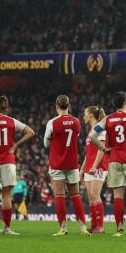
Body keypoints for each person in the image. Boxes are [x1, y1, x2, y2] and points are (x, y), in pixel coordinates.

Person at [88, 92, 126, 237]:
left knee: (118, 196)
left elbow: (92, 135)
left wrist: (103, 148)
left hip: (114, 160)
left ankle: (119, 230)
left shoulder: (108, 119)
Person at [0, 95, 35, 235]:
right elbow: (31, 132)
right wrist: (16, 144)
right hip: (8, 161)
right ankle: (6, 228)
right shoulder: (12, 121)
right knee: (7, 197)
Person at [44, 95, 90, 236]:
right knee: (75, 195)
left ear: (57, 107)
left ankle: (63, 228)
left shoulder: (52, 123)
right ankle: (83, 228)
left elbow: (46, 144)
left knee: (59, 196)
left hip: (57, 164)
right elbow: (74, 138)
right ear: (68, 105)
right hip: (72, 163)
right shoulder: (76, 122)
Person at [81, 105, 109, 234]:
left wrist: (94, 166)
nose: (84, 116)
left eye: (85, 114)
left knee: (95, 195)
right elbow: (88, 153)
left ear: (91, 116)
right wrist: (82, 169)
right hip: (89, 167)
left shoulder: (101, 130)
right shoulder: (91, 131)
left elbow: (101, 148)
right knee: (91, 197)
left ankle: (100, 226)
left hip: (98, 166)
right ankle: (94, 225)